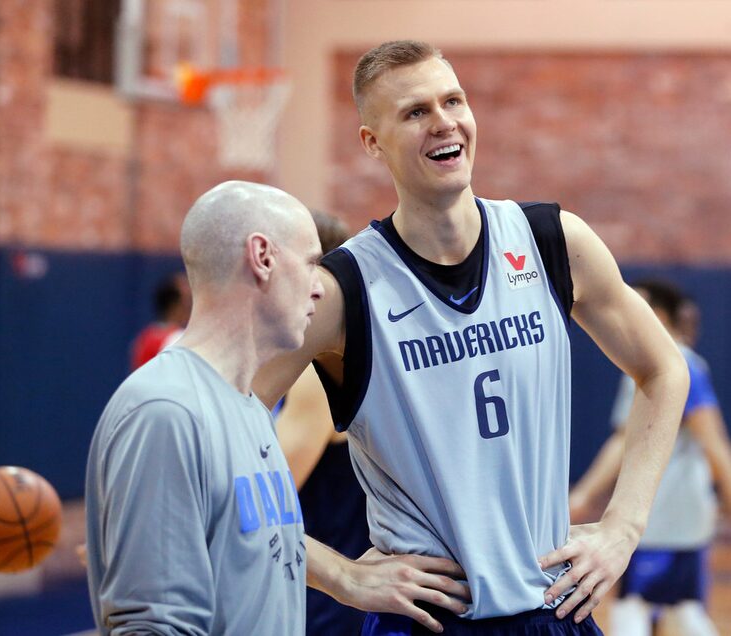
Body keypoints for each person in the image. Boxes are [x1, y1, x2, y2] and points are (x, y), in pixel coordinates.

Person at [254, 40, 689, 634]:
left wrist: (624, 527)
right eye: (415, 111)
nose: (444, 122)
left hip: (555, 606)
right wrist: (338, 574)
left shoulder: (553, 240)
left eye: (453, 100)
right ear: (371, 142)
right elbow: (225, 439)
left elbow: (665, 369)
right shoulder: (341, 292)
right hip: (427, 619)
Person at [85, 181, 466, 635]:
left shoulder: (247, 408)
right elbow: (152, 625)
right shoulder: (165, 410)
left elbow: (262, 549)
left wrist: (346, 576)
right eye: (311, 265)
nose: (321, 291)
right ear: (262, 257)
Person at [569, 280, 731, 636]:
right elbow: (625, 439)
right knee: (675, 610)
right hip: (660, 517)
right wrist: (584, 495)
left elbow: (712, 439)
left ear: (657, 314)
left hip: (667, 517)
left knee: (638, 610)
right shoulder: (647, 365)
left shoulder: (677, 364)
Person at [276, 210, 370, 635]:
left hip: (327, 602)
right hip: (338, 592)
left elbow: (261, 491)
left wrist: (157, 534)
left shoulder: (319, 373)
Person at [129, 272, 191, 370]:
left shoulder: (144, 338)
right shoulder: (177, 339)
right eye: (188, 301)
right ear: (174, 306)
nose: (191, 307)